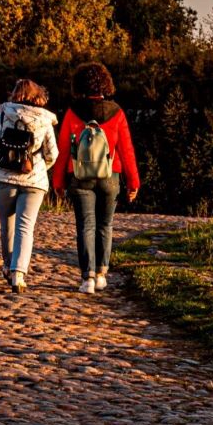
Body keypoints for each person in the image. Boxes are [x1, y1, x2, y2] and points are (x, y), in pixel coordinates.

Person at [51, 61, 142, 294]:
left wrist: (58, 181)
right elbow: (127, 149)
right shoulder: (117, 112)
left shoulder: (73, 112)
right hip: (110, 174)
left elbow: (63, 149)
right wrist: (133, 182)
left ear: (79, 84)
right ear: (106, 84)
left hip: (80, 175)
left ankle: (87, 278)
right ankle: (102, 273)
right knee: (105, 224)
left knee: (86, 226)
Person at [0, 78, 60, 294]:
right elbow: (52, 153)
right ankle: (18, 273)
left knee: (7, 224)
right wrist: (39, 166)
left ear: (15, 94)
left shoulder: (4, 114)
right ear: (37, 95)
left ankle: (7, 266)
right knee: (26, 226)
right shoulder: (44, 119)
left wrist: (6, 148)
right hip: (33, 179)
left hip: (4, 178)